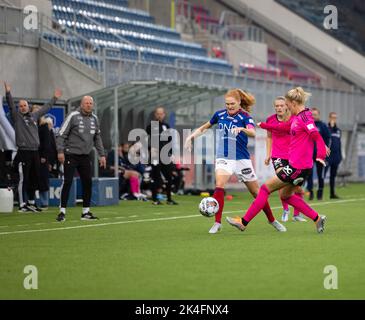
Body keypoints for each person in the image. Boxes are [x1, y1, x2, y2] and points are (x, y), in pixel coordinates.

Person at [226, 87, 329, 234]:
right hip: (300, 167)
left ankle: (243, 222)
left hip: (297, 167)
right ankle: (317, 218)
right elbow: (283, 128)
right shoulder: (299, 117)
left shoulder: (304, 117)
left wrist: (320, 155)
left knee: (264, 189)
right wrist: (263, 125)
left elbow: (315, 135)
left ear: (293, 103)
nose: (285, 107)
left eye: (286, 104)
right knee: (285, 195)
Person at [184, 89, 286, 234]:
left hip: (242, 159)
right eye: (227, 104)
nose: (229, 106)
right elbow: (204, 127)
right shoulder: (219, 115)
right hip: (224, 156)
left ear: (239, 103)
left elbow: (252, 132)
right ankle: (217, 223)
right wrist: (190, 137)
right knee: (219, 184)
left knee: (257, 193)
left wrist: (242, 129)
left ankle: (272, 220)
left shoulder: (245, 116)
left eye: (232, 104)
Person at [3, 81, 62, 212]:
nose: (23, 107)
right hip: (23, 152)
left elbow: (46, 108)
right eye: (21, 106)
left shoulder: (34, 116)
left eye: (25, 105)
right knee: (23, 179)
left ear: (28, 107)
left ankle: (30, 202)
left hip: (35, 152)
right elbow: (11, 105)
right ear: (19, 108)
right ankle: (22, 205)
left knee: (35, 178)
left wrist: (55, 98)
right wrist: (8, 92)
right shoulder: (17, 117)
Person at [56, 96, 106, 222]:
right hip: (70, 154)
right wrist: (60, 151)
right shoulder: (73, 116)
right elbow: (61, 134)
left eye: (91, 103)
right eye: (87, 103)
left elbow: (97, 138)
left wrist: (102, 155)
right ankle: (62, 211)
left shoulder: (95, 118)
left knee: (87, 182)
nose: (89, 105)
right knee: (67, 181)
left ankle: (86, 212)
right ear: (82, 104)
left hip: (85, 156)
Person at [264, 96, 306, 222]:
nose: (279, 108)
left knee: (297, 187)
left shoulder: (295, 119)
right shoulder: (270, 120)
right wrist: (268, 154)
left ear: (287, 106)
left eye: (281, 105)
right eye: (276, 106)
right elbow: (269, 137)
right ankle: (285, 209)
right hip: (278, 156)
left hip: (294, 157)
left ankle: (297, 214)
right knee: (281, 181)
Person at [146, 107, 178, 205]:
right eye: (158, 114)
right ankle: (155, 199)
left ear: (164, 115)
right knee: (155, 177)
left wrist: (171, 153)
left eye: (161, 114)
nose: (160, 115)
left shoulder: (166, 126)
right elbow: (148, 138)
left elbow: (169, 141)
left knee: (169, 176)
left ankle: (169, 199)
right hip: (156, 155)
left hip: (165, 155)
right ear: (155, 115)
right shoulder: (151, 126)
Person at [306, 107, 331, 200]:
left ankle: (320, 192)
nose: (313, 116)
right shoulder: (308, 125)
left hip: (320, 154)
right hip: (309, 154)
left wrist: (325, 149)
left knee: (320, 174)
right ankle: (310, 192)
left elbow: (328, 138)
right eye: (312, 115)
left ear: (319, 115)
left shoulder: (323, 125)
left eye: (315, 115)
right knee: (309, 174)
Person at [325, 112, 342, 199]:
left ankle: (332, 193)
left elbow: (339, 143)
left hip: (336, 157)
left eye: (335, 118)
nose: (334, 119)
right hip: (328, 156)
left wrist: (340, 156)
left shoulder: (338, 130)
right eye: (332, 117)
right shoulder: (326, 128)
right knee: (323, 175)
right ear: (329, 118)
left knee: (333, 176)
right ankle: (319, 193)